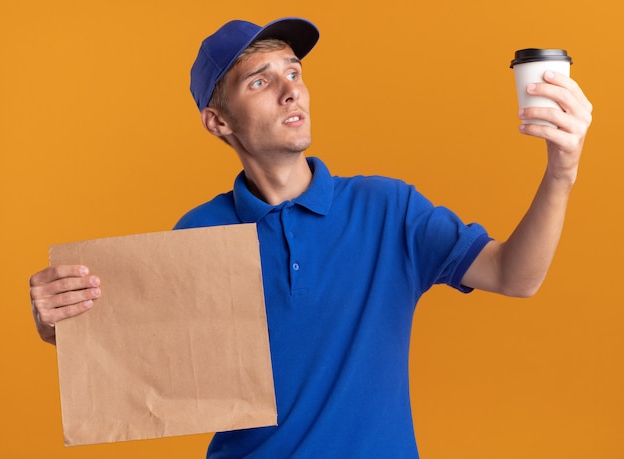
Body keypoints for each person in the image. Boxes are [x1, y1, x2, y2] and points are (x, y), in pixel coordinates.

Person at [29, 17, 592, 458]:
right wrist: (60, 327)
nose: (289, 90)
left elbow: (515, 277)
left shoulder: (387, 208)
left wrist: (561, 172)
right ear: (218, 122)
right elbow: (141, 362)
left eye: (293, 72)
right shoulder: (197, 237)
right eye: (260, 80)